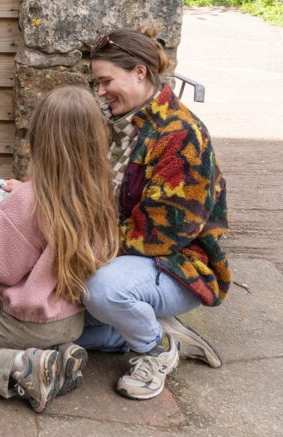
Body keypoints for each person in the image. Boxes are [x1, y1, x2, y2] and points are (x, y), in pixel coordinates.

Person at [0, 86, 119, 413]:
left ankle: (25, 364)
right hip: (72, 319)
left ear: (38, 139)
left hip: (29, 320)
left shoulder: (22, 201)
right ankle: (59, 358)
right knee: (45, 339)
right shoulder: (97, 194)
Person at [77, 28, 230, 400]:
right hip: (131, 256)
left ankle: (157, 348)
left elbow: (163, 235)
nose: (100, 92)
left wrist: (85, 249)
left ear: (140, 73)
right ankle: (151, 327)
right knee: (56, 323)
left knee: (102, 290)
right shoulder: (129, 124)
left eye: (106, 81)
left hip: (180, 265)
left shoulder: (181, 136)